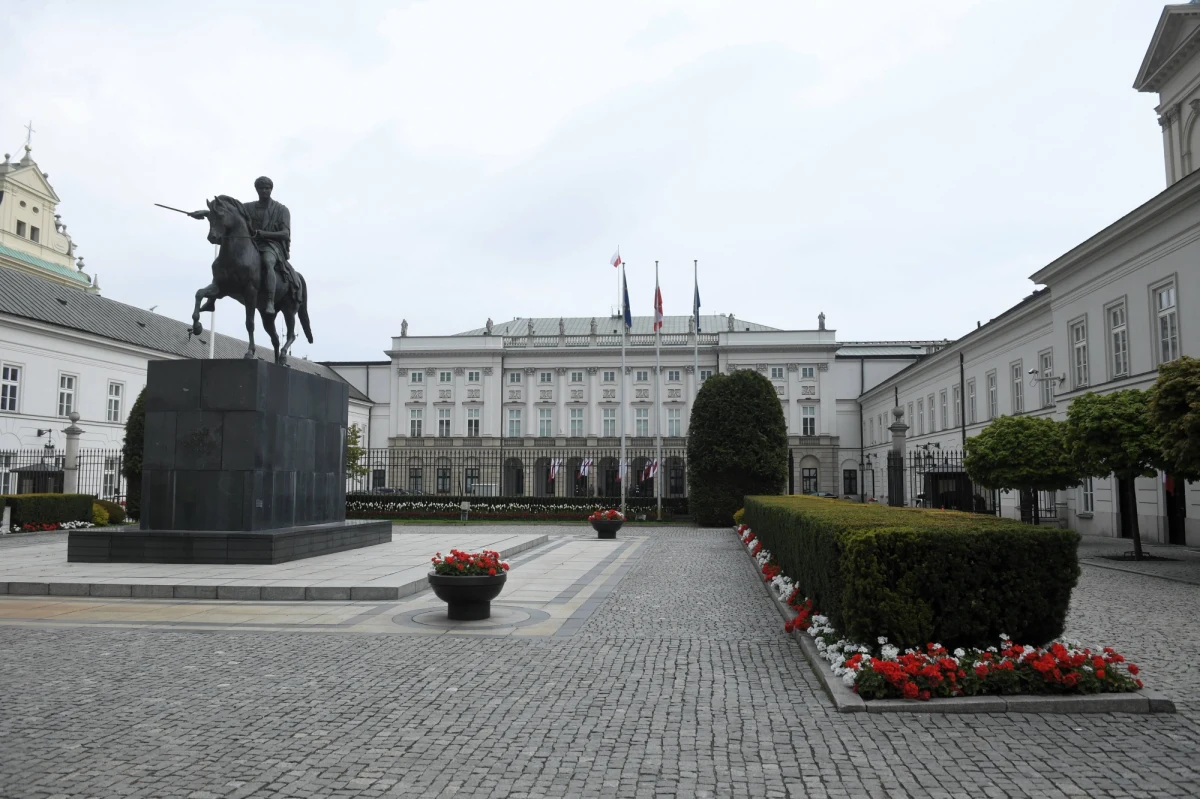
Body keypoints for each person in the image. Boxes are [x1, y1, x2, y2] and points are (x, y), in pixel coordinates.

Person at [191, 176, 291, 315]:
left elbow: (285, 233)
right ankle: (212, 298)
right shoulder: (248, 207)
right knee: (223, 261)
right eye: (261, 188)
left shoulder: (281, 210)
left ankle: (270, 300)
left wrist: (263, 233)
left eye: (267, 188)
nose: (264, 191)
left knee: (268, 261)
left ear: (271, 189)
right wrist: (206, 213)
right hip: (250, 243)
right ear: (256, 189)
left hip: (270, 245)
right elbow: (226, 213)